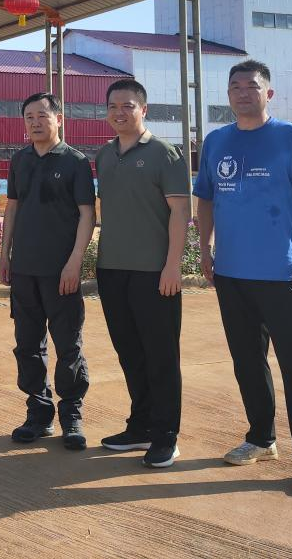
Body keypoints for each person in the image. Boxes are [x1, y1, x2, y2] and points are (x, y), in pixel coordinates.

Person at [194, 59, 292, 495]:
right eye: (234, 86)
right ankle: (261, 437)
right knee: (247, 361)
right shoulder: (216, 141)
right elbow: (205, 200)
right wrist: (205, 249)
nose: (242, 93)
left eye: (251, 86)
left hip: (281, 273)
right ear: (228, 95)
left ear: (267, 93)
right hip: (231, 273)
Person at [95, 80, 190, 468]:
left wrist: (172, 265)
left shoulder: (164, 153)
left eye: (128, 106)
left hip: (154, 273)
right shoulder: (104, 155)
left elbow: (180, 213)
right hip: (112, 270)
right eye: (113, 106)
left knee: (161, 356)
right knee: (130, 353)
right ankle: (140, 427)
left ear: (144, 110)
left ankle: (166, 435)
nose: (120, 112)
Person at [0, 92, 95, 450]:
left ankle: (71, 414)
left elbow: (87, 215)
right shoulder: (20, 160)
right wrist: (4, 255)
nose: (36, 122)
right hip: (24, 270)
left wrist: (74, 262)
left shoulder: (75, 162)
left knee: (68, 344)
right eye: (29, 117)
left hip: (61, 271)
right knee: (27, 345)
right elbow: (12, 208)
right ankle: (39, 414)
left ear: (59, 119)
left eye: (42, 115)